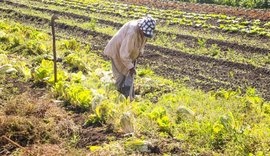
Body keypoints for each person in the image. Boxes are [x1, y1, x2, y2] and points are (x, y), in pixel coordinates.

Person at [103, 15, 156, 98]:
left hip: (128, 55)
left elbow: (141, 43)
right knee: (120, 77)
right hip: (118, 52)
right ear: (142, 28)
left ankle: (129, 97)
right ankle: (114, 97)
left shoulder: (143, 31)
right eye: (145, 33)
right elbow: (123, 54)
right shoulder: (132, 32)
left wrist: (139, 53)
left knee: (129, 78)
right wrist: (131, 67)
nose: (145, 35)